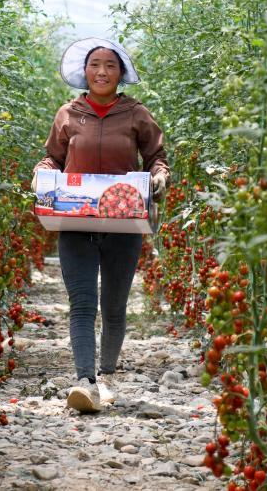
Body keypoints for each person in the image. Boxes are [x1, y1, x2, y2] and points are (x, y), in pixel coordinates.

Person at [32, 37, 171, 413]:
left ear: (121, 73)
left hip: (124, 223)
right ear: (85, 71)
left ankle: (106, 375)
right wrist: (40, 173)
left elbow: (156, 156)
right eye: (95, 65)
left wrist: (158, 177)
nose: (102, 72)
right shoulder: (68, 113)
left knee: (113, 305)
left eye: (110, 65)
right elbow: (52, 158)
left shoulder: (136, 114)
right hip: (75, 221)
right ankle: (85, 381)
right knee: (81, 303)